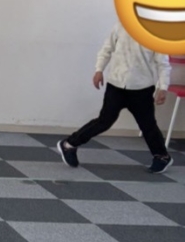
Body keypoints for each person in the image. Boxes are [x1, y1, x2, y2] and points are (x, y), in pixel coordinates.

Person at [57, 21, 172, 173]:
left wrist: (163, 87)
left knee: (148, 125)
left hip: (141, 88)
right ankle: (69, 145)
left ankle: (162, 157)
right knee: (104, 121)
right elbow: (106, 49)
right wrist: (99, 70)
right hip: (116, 85)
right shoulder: (120, 27)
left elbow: (163, 64)